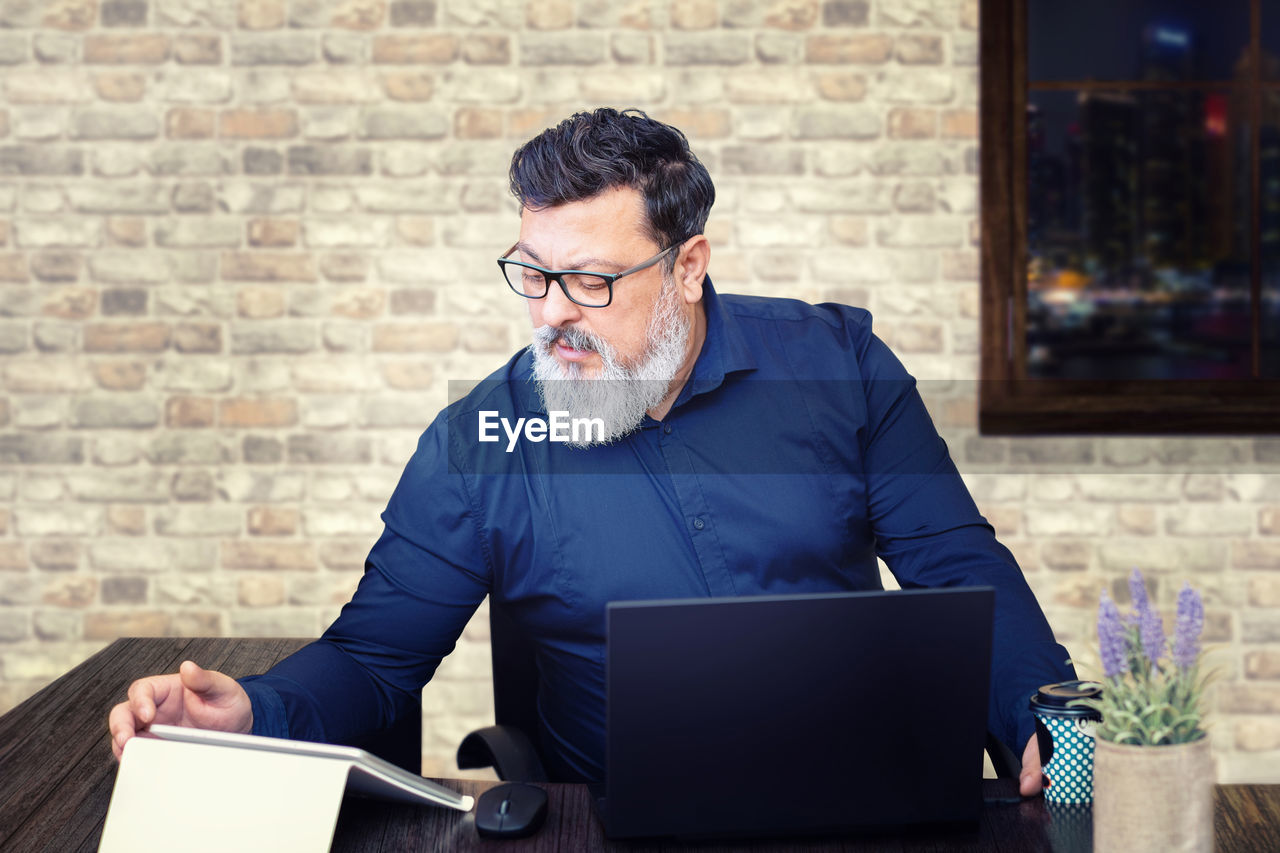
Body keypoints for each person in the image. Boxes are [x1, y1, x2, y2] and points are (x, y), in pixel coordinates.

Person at [109, 108, 1073, 796]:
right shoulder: (477, 441)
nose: (552, 311)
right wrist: (253, 710)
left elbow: (954, 557)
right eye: (532, 273)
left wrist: (1046, 723)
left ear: (688, 265)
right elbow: (375, 656)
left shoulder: (838, 362)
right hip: (616, 821)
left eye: (590, 280)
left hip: (865, 795)